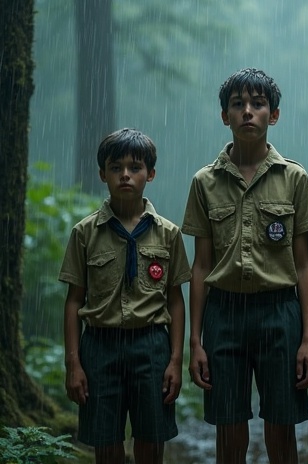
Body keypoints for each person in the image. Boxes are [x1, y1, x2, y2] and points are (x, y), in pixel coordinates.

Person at [182, 68, 308, 464]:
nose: (247, 112)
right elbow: (201, 266)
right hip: (224, 314)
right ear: (224, 115)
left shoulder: (294, 178)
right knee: (229, 430)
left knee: (281, 427)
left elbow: (306, 264)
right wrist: (196, 341)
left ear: (273, 115)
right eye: (237, 104)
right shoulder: (204, 182)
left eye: (258, 104)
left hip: (280, 312)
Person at [60, 128, 191, 464]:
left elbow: (175, 300)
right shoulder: (85, 233)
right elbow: (75, 301)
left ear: (151, 173)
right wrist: (73, 363)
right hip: (100, 347)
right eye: (115, 167)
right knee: (106, 442)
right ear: (103, 173)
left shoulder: (168, 233)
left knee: (150, 439)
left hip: (151, 346)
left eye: (135, 167)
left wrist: (176, 360)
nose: (125, 175)